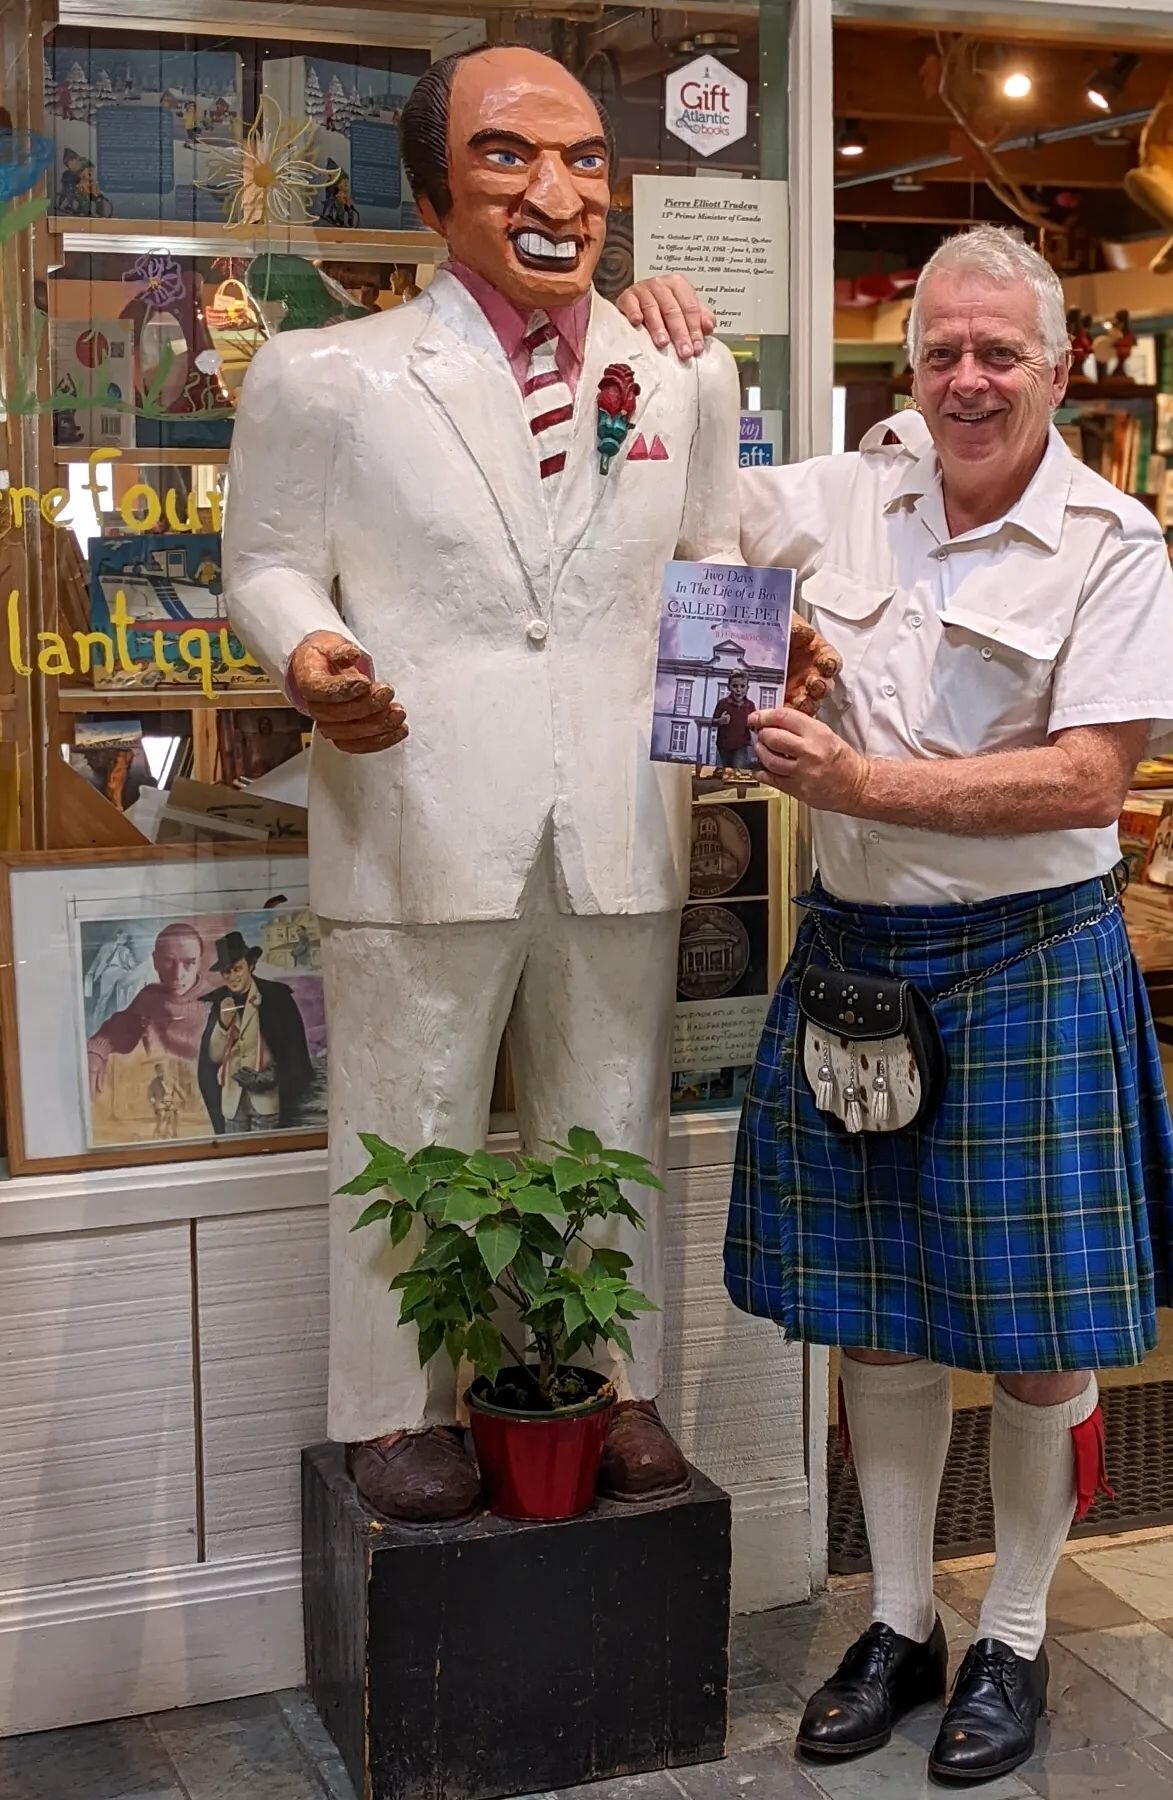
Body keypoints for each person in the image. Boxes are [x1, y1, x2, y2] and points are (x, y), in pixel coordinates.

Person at [223, 44, 836, 1524]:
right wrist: (312, 653)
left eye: (585, 161)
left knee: (608, 1119)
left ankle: (608, 1383)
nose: (558, 194)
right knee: (408, 1121)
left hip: (620, 814)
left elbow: (703, 567)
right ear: (435, 191)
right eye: (509, 157)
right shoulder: (331, 374)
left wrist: (766, 652)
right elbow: (265, 556)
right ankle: (390, 1409)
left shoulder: (680, 367)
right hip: (418, 806)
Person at [620, 227, 1173, 1783]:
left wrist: (860, 777)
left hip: (1030, 966)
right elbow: (661, 511)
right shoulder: (834, 495)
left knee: (1030, 1336)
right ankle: (898, 1620)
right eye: (940, 350)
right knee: (878, 1321)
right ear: (909, 362)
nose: (964, 379)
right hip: (861, 958)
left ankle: (1010, 1630)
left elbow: (1090, 776)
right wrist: (660, 345)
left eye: (999, 353)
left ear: (1059, 368)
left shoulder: (1114, 539)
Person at [196, 931, 314, 1135]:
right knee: (235, 1155)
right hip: (232, 1103)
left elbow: (294, 1051)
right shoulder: (220, 1004)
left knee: (267, 1153)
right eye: (226, 972)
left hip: (267, 1101)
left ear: (250, 966)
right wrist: (223, 1026)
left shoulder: (276, 998)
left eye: (237, 969)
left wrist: (273, 1076)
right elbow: (212, 1057)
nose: (232, 977)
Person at [87, 920, 206, 1095]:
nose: (178, 975)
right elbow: (120, 1027)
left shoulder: (219, 1002)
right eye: (168, 961)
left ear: (200, 962)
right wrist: (96, 1050)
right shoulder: (149, 997)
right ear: (155, 961)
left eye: (190, 962)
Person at [712, 671, 758, 771]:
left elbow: (754, 725)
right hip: (723, 746)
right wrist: (720, 721)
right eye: (735, 686)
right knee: (722, 773)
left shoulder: (750, 705)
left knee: (738, 772)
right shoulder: (722, 704)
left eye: (742, 686)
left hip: (741, 746)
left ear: (747, 688)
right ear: (729, 687)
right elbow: (713, 721)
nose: (738, 690)